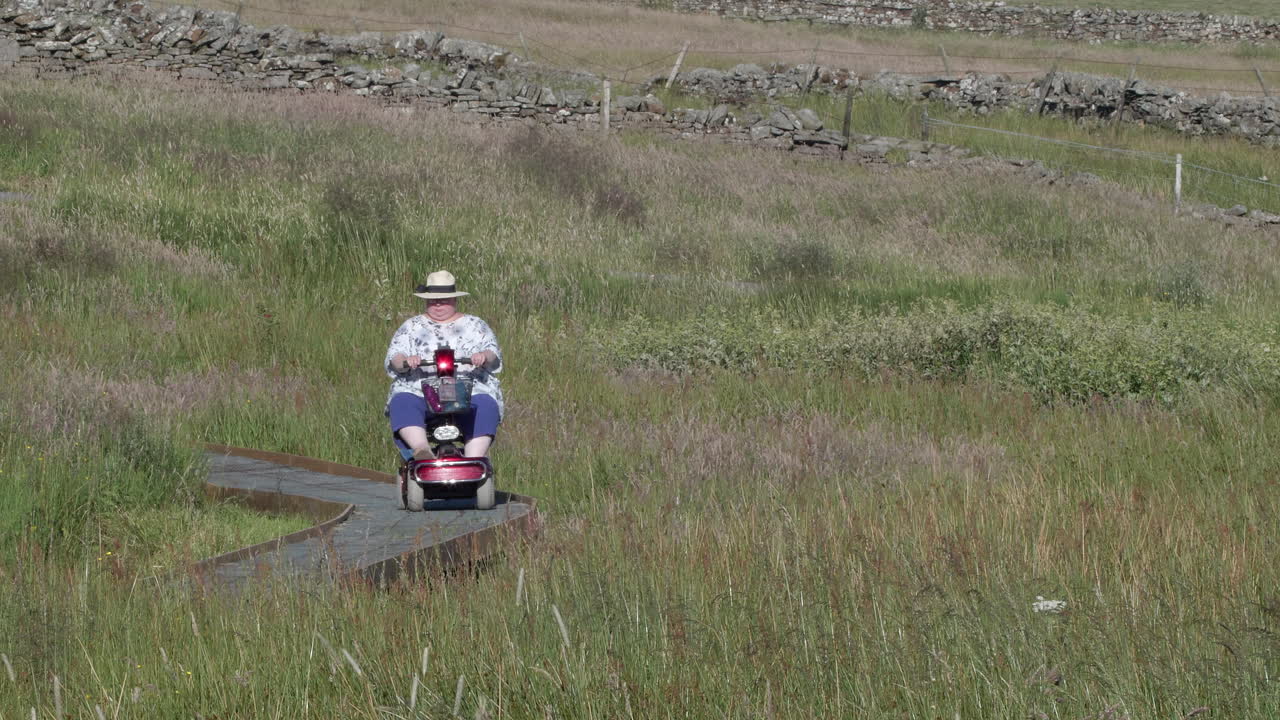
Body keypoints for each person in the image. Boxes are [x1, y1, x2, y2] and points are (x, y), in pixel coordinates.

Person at [384, 270, 503, 460]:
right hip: (421, 389)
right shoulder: (412, 326)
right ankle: (422, 450)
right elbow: (395, 357)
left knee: (485, 404)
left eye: (444, 300)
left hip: (468, 389)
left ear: (454, 300)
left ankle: (474, 459)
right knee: (402, 401)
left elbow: (493, 354)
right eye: (433, 300)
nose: (438, 304)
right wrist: (406, 361)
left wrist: (483, 356)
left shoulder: (475, 325)